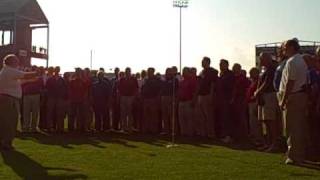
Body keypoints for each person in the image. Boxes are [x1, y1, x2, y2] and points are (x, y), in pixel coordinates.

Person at [279, 39, 308, 165]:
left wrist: (284, 100)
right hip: (299, 95)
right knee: (297, 126)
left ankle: (294, 155)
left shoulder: (292, 61)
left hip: (293, 96)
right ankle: (296, 153)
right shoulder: (300, 60)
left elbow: (290, 82)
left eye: (285, 47)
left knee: (292, 127)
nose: (283, 49)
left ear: (291, 47)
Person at [0, 54, 37, 150]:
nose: (18, 62)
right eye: (16, 61)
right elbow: (25, 75)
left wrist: (29, 81)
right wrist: (39, 72)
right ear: (12, 62)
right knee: (10, 122)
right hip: (9, 99)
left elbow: (18, 82)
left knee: (6, 121)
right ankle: (6, 143)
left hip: (7, 98)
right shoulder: (10, 70)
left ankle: (4, 142)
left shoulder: (6, 71)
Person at [255, 53, 279, 152]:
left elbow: (267, 83)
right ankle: (268, 143)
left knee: (270, 121)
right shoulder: (264, 69)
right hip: (263, 96)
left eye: (262, 59)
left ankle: (274, 144)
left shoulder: (272, 68)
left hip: (269, 95)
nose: (260, 61)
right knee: (266, 121)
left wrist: (257, 91)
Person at [195, 57, 218, 138]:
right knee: (201, 116)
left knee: (208, 116)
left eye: (203, 62)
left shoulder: (213, 71)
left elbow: (213, 84)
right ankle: (203, 133)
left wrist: (211, 95)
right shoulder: (201, 72)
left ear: (208, 62)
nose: (202, 63)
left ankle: (211, 134)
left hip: (207, 95)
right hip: (200, 95)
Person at [217, 59, 235, 143]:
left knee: (227, 117)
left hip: (227, 98)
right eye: (220, 64)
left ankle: (229, 136)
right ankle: (224, 135)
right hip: (221, 98)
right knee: (223, 117)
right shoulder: (221, 74)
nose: (220, 66)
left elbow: (234, 87)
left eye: (222, 64)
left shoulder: (230, 74)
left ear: (227, 65)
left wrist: (232, 98)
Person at [46, 66, 68, 133]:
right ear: (54, 70)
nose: (57, 71)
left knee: (59, 114)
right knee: (50, 113)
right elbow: (47, 88)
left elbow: (65, 89)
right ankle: (49, 127)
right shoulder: (50, 79)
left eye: (58, 69)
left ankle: (59, 128)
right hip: (51, 97)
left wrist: (63, 96)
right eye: (56, 69)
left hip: (59, 98)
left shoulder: (62, 79)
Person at [21, 66, 44, 133]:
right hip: (26, 95)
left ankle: (34, 128)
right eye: (33, 69)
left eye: (35, 69)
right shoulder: (26, 77)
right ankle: (26, 127)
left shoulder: (40, 78)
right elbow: (22, 85)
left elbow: (42, 87)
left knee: (35, 112)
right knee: (26, 112)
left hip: (36, 95)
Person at [246, 67, 264, 148]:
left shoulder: (258, 81)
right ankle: (255, 139)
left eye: (251, 73)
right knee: (252, 122)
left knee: (256, 123)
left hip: (254, 103)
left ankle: (259, 139)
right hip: (250, 102)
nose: (250, 75)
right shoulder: (253, 81)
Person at [231, 63, 250, 142]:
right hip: (235, 100)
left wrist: (245, 99)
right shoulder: (233, 78)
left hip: (240, 99)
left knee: (241, 118)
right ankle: (237, 135)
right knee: (235, 118)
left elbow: (246, 89)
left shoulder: (243, 78)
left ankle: (244, 135)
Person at [141, 68, 162, 134]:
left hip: (153, 99)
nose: (149, 73)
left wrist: (158, 97)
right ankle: (147, 129)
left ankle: (154, 130)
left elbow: (160, 89)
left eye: (150, 72)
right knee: (146, 115)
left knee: (154, 116)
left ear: (153, 72)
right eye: (148, 72)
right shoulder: (146, 80)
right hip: (146, 99)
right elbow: (143, 88)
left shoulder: (157, 79)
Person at [178, 67, 197, 136]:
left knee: (189, 118)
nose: (183, 72)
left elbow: (194, 91)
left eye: (185, 71)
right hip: (181, 101)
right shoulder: (182, 81)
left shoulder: (191, 80)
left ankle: (190, 133)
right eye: (183, 71)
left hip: (188, 101)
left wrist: (193, 100)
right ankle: (183, 132)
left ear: (188, 72)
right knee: (182, 118)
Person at [118, 67, 138, 133]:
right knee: (123, 114)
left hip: (130, 97)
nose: (127, 72)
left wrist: (134, 97)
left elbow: (136, 88)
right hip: (123, 97)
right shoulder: (122, 79)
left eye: (128, 71)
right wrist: (120, 96)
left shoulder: (134, 79)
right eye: (126, 71)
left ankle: (130, 128)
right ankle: (123, 128)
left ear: (130, 72)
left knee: (130, 113)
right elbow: (119, 89)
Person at [160, 68, 178, 135]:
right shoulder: (164, 80)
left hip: (171, 97)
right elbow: (162, 89)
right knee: (165, 115)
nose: (168, 73)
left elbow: (176, 90)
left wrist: (175, 99)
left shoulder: (174, 80)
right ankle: (166, 130)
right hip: (164, 98)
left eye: (169, 72)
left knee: (171, 115)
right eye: (167, 72)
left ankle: (174, 131)